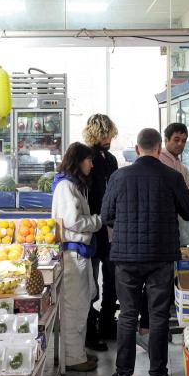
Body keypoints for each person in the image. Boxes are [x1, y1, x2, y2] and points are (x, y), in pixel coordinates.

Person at [101, 129, 189, 376]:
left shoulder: (119, 176)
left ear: (137, 149)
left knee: (127, 316)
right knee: (157, 317)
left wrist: (127, 227)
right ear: (159, 149)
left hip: (126, 258)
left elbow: (106, 215)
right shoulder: (172, 176)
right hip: (161, 256)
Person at [137, 123, 189, 349]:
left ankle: (153, 332)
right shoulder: (163, 167)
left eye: (184, 140)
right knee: (154, 289)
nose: (180, 144)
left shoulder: (180, 167)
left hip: (170, 237)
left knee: (160, 289)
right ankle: (150, 333)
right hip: (158, 239)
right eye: (176, 139)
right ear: (163, 141)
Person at [51, 142, 103, 372]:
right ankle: (72, 358)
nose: (91, 164)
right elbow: (73, 221)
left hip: (79, 254)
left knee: (82, 304)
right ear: (78, 161)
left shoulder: (74, 185)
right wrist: (98, 220)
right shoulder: (65, 186)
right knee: (74, 308)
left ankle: (76, 352)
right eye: (88, 160)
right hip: (72, 256)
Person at [82, 114, 119, 351]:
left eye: (110, 134)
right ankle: (90, 328)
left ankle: (106, 321)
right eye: (105, 134)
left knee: (110, 275)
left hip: (109, 226)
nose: (109, 139)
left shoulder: (111, 159)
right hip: (94, 226)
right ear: (95, 133)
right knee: (91, 279)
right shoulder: (86, 158)